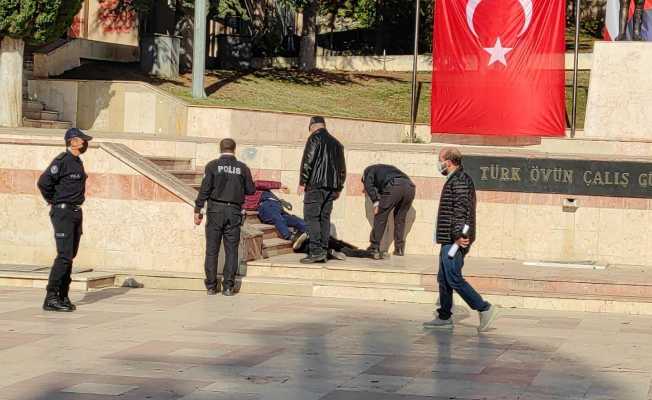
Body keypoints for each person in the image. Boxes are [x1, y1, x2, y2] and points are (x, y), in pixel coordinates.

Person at [423, 148, 498, 332]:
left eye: (439, 159)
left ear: (448, 161)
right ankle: (444, 316)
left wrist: (458, 237)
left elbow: (461, 210)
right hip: (449, 238)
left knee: (453, 277)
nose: (438, 163)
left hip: (455, 239)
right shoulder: (455, 179)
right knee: (444, 278)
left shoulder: (460, 180)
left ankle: (484, 308)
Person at [37, 128, 93, 312]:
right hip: (63, 213)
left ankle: (63, 295)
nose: (85, 143)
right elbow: (44, 182)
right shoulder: (62, 161)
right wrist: (55, 201)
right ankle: (51, 297)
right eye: (82, 140)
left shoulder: (77, 162)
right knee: (64, 256)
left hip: (76, 212)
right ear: (72, 141)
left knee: (70, 256)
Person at [194, 139, 255, 296]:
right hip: (234, 212)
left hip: (215, 211)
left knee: (212, 250)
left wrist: (198, 209)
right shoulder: (242, 168)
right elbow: (251, 190)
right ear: (235, 149)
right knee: (231, 250)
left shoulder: (212, 166)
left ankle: (211, 286)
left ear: (220, 148)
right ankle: (228, 286)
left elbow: (204, 190)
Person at [299, 116, 346, 264]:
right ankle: (324, 250)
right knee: (324, 219)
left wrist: (302, 181)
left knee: (311, 217)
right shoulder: (337, 143)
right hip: (331, 188)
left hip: (316, 185)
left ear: (312, 127)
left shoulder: (314, 138)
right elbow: (342, 169)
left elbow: (308, 160)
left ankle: (316, 251)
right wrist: (339, 187)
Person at [362, 164, 416, 260]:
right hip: (410, 187)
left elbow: (368, 185)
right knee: (400, 219)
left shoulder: (368, 171)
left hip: (395, 185)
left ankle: (374, 247)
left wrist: (375, 202)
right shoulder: (386, 169)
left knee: (381, 216)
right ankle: (399, 249)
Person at [243, 180, 308, 248]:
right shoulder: (241, 194)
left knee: (284, 218)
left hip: (271, 203)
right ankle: (299, 234)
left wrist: (280, 185)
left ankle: (299, 234)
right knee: (282, 219)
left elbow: (260, 183)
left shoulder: (248, 187)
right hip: (270, 204)